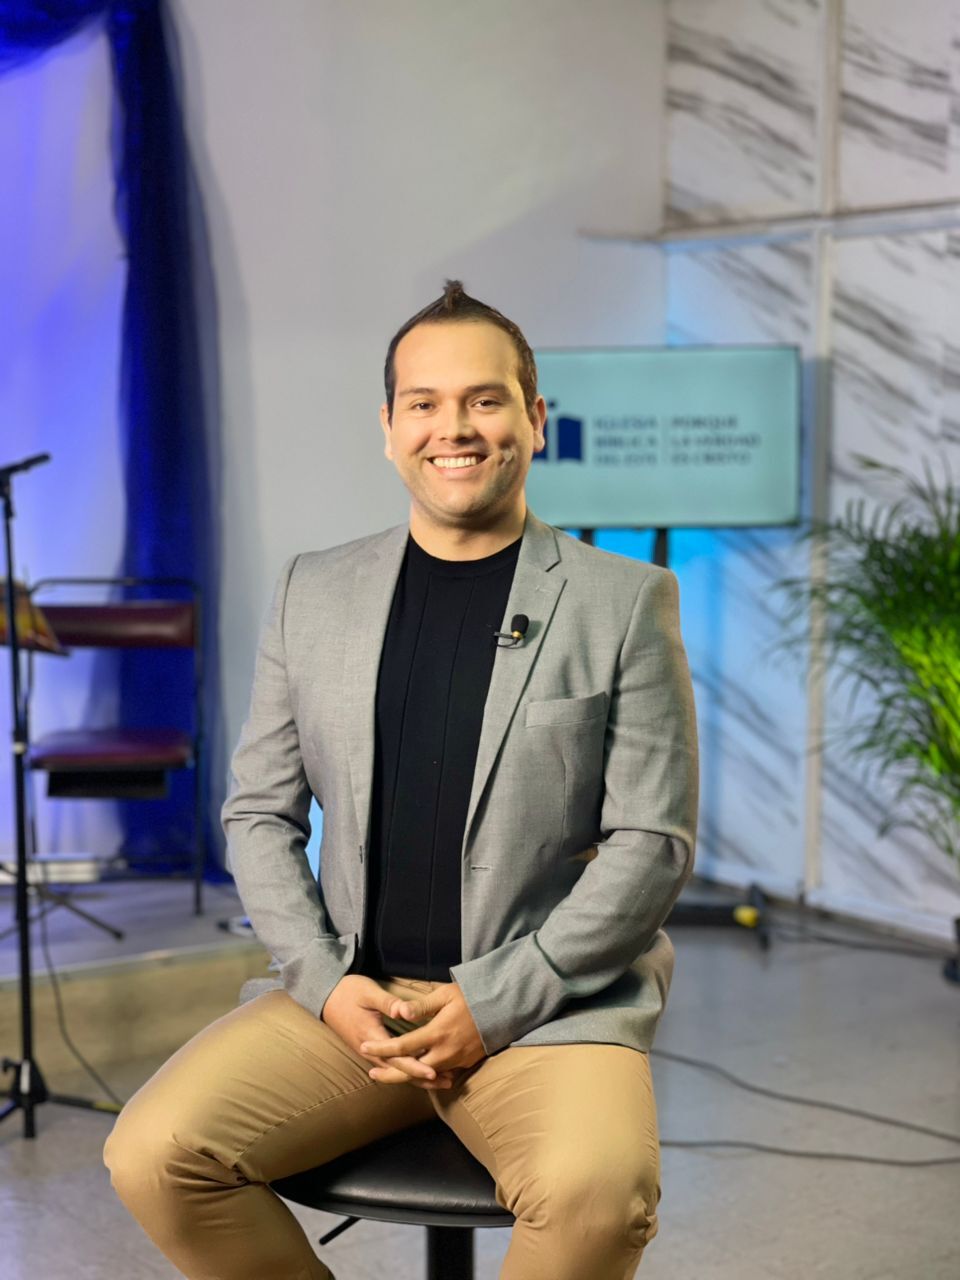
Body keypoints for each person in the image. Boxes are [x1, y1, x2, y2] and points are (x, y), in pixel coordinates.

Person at [104, 280, 699, 1280]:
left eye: (484, 399)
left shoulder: (625, 600)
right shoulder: (311, 592)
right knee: (154, 1155)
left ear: (534, 418)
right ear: (389, 427)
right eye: (424, 402)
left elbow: (654, 843)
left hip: (545, 1008)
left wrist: (495, 1000)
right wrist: (326, 983)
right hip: (352, 1001)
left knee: (597, 1194)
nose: (453, 427)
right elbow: (258, 813)